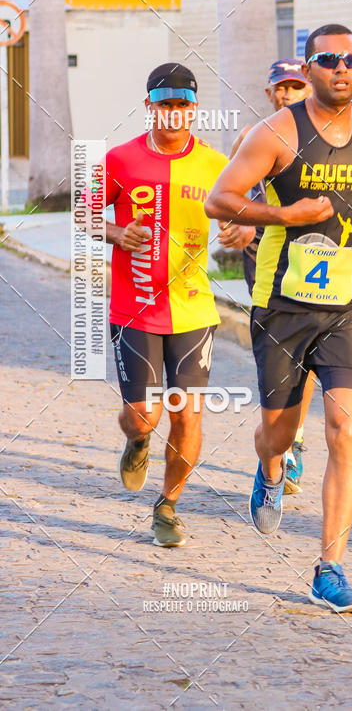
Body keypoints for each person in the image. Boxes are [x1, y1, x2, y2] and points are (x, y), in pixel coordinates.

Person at [205, 25, 352, 612]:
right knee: (278, 432)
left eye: (351, 58)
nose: (341, 68)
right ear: (309, 69)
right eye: (328, 59)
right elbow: (220, 200)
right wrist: (287, 214)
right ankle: (270, 468)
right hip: (283, 305)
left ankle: (330, 567)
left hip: (349, 306)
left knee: (345, 428)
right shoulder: (275, 132)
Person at [84, 63, 254, 547]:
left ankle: (167, 507)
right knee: (143, 416)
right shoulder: (119, 159)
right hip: (134, 308)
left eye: (183, 105)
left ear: (194, 109)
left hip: (193, 310)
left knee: (186, 414)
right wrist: (116, 232)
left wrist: (242, 230)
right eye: (165, 105)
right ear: (149, 107)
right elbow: (85, 213)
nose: (174, 113)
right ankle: (137, 441)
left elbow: (245, 217)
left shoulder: (217, 164)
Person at [229, 59, 314, 494]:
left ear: (309, 89)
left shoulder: (324, 139)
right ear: (269, 93)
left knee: (309, 353)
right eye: (281, 87)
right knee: (280, 351)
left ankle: (292, 442)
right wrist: (236, 226)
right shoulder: (253, 136)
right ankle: (277, 441)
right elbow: (226, 195)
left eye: (295, 87)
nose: (287, 94)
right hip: (263, 256)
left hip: (313, 254)